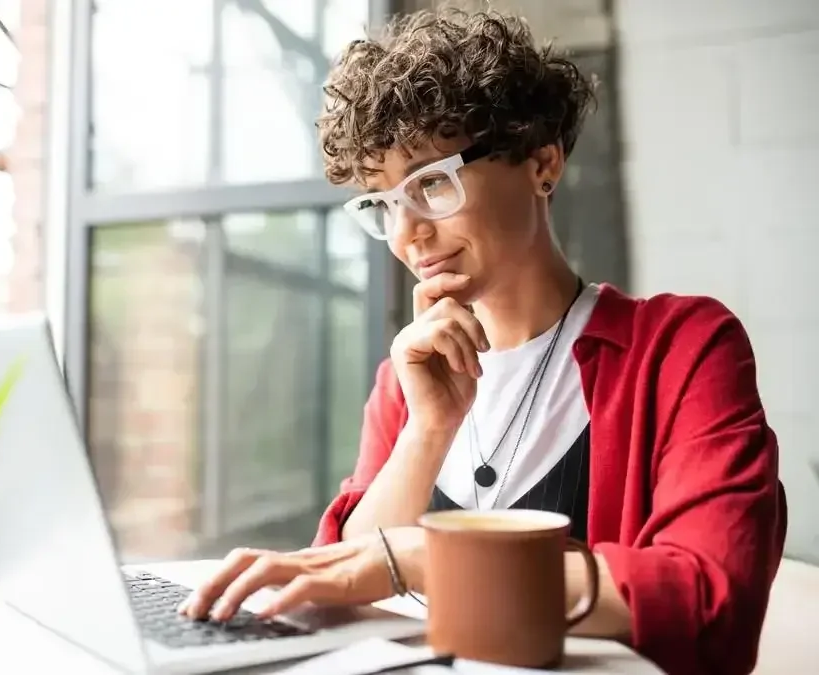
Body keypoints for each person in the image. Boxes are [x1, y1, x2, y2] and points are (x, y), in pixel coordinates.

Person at [178, 8, 786, 675]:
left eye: (431, 183)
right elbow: (347, 572)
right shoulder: (405, 380)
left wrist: (427, 559)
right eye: (382, 202)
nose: (407, 233)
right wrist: (427, 431)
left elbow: (708, 600)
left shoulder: (681, 350)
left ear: (542, 163)